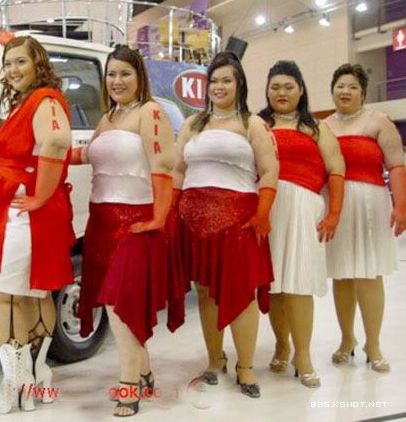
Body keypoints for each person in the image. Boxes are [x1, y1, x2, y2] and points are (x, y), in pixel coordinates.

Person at [73, 44, 185, 417]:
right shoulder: (108, 118)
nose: (117, 81)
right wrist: (44, 154)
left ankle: (129, 385)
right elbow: (87, 154)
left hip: (137, 225)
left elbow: (163, 166)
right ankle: (145, 372)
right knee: (116, 307)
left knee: (121, 308)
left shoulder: (150, 112)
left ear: (139, 77)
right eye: (112, 74)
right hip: (101, 224)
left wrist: (158, 218)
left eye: (125, 73)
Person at [0, 34, 75, 414]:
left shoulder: (44, 98)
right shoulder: (30, 100)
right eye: (8, 63)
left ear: (38, 64)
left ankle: (15, 386)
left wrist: (41, 195)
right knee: (32, 294)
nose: (13, 69)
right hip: (21, 212)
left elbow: (57, 141)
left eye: (21, 62)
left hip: (23, 214)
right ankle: (36, 379)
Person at [173, 51, 279, 399]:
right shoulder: (192, 124)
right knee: (205, 290)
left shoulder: (253, 124)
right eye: (214, 80)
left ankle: (245, 365)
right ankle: (215, 359)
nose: (219, 86)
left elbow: (270, 170)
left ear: (239, 84)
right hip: (194, 221)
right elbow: (177, 170)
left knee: (243, 292)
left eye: (226, 80)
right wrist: (171, 210)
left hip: (239, 221)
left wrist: (263, 213)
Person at [258, 60, 345, 388]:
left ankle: (303, 355)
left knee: (299, 284)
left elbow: (336, 168)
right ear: (267, 91)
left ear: (301, 90)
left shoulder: (316, 126)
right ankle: (282, 345)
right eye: (275, 87)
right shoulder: (257, 124)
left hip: (304, 210)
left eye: (288, 86)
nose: (281, 92)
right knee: (274, 285)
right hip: (265, 210)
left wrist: (334, 213)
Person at [324, 63, 406, 373]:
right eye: (340, 86)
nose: (345, 91)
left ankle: (374, 344)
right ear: (332, 91)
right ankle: (347, 339)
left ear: (363, 93)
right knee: (342, 274)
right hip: (335, 204)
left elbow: (396, 164)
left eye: (352, 86)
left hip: (371, 203)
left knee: (369, 275)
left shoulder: (378, 121)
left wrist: (401, 205)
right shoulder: (323, 126)